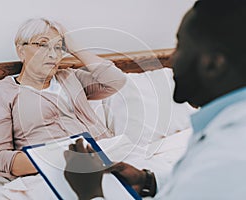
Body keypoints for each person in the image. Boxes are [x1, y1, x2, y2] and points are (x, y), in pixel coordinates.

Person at [63, 1, 246, 199]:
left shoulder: (228, 154)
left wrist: (90, 193)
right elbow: (202, 186)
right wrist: (148, 181)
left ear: (214, 64)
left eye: (180, 47)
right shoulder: (225, 134)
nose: (172, 60)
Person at [0, 18, 126, 179]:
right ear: (21, 51)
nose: (53, 54)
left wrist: (74, 48)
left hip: (109, 156)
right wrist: (57, 159)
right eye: (43, 45)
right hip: (60, 172)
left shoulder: (70, 76)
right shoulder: (2, 92)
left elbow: (115, 80)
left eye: (58, 47)